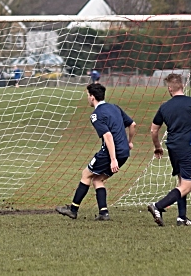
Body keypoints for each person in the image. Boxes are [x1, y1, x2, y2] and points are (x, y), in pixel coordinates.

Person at [56, 83, 136, 221]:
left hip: (111, 153)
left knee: (86, 174)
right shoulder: (114, 107)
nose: (87, 98)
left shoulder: (96, 115)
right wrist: (129, 142)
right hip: (124, 152)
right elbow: (132, 124)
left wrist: (113, 159)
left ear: (92, 97)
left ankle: (73, 210)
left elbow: (108, 136)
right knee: (98, 179)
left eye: (88, 95)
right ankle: (103, 213)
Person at [147, 73, 191, 226]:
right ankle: (158, 206)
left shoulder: (165, 107)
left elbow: (154, 131)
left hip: (173, 147)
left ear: (169, 88)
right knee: (187, 185)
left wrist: (157, 147)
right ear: (182, 86)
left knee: (181, 181)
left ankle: (182, 217)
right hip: (187, 147)